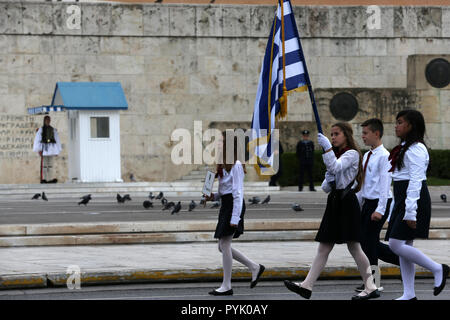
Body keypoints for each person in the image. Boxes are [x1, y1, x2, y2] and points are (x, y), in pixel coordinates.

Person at [284, 123, 379, 300]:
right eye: (331, 134)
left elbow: (336, 167)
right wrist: (328, 178)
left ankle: (371, 286)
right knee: (324, 247)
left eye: (336, 134)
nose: (333, 137)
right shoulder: (336, 155)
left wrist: (327, 148)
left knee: (355, 247)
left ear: (346, 135)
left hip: (346, 202)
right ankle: (307, 285)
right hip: (335, 201)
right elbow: (327, 186)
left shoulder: (351, 153)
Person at [385, 109, 449, 300]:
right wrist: (394, 209)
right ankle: (409, 294)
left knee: (395, 245)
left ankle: (438, 268)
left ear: (411, 125)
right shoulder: (405, 147)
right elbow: (398, 181)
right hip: (403, 200)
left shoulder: (417, 149)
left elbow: (415, 182)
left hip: (413, 200)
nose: (396, 126)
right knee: (404, 248)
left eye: (400, 122)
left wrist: (410, 212)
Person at [204, 131, 265, 296]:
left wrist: (235, 218)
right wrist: (212, 196)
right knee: (222, 246)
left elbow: (237, 193)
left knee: (224, 245)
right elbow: (225, 191)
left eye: (222, 141)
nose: (218, 144)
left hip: (233, 206)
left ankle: (227, 285)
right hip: (226, 205)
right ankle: (254, 267)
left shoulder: (237, 165)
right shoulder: (224, 165)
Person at [355, 118, 400, 294]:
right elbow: (363, 185)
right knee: (368, 242)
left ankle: (373, 281)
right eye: (362, 133)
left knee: (368, 242)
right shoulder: (367, 155)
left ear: (376, 133)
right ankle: (404, 260)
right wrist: (358, 206)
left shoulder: (384, 156)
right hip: (368, 203)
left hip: (380, 203)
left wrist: (380, 210)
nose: (363, 136)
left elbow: (384, 185)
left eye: (366, 133)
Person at [33, 115, 62, 183]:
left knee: (50, 165)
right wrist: (39, 149)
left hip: (51, 149)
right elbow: (38, 139)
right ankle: (45, 178)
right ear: (44, 121)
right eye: (47, 120)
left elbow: (57, 139)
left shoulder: (53, 129)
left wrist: (57, 150)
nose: (48, 121)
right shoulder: (41, 129)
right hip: (44, 149)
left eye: (49, 120)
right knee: (45, 165)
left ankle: (50, 178)